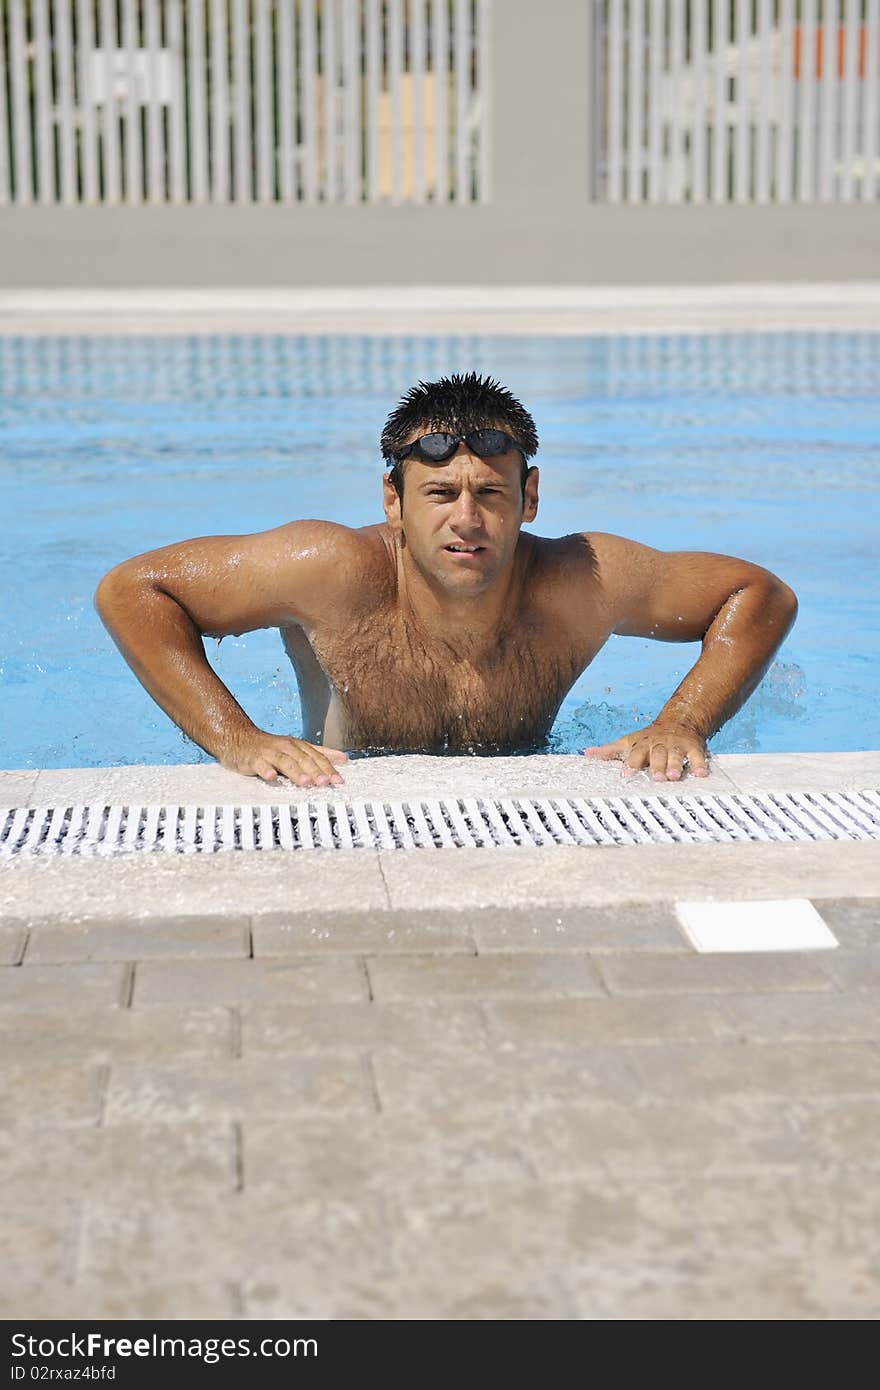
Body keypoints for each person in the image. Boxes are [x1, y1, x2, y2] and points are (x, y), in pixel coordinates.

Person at [95, 371, 798, 789]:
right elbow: (133, 591)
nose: (467, 520)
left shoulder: (583, 581)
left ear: (528, 499)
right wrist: (237, 738)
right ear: (393, 502)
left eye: (491, 494)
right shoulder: (331, 570)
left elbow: (758, 595)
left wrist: (681, 723)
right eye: (439, 495)